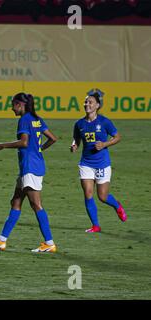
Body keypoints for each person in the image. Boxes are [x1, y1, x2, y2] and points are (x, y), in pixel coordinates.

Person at [0, 92, 58, 253]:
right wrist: (39, 150)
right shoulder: (37, 118)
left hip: (30, 168)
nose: (11, 108)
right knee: (16, 202)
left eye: (13, 104)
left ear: (20, 104)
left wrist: (2, 145)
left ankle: (49, 243)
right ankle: (1, 241)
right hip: (31, 166)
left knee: (36, 204)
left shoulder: (24, 119)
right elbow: (53, 138)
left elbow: (24, 142)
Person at [70, 89, 127, 233]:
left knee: (102, 196)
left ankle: (117, 206)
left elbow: (117, 137)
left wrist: (104, 144)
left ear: (97, 106)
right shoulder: (79, 124)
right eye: (85, 102)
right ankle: (95, 225)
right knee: (88, 193)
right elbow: (77, 139)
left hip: (102, 163)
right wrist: (75, 145)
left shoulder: (104, 122)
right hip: (86, 163)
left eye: (90, 102)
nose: (86, 104)